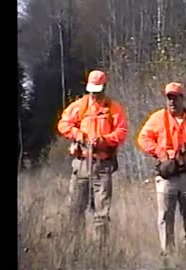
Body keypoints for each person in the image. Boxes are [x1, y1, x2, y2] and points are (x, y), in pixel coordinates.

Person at [136, 82, 186, 258]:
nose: (171, 102)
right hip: (167, 177)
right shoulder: (157, 118)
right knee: (165, 216)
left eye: (175, 98)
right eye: (168, 98)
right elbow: (143, 138)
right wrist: (160, 152)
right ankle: (168, 255)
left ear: (182, 98)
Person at [57, 70, 128, 254]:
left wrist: (104, 140)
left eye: (98, 90)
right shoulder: (79, 106)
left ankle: (100, 253)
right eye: (92, 90)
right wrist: (78, 135)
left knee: (101, 214)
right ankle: (74, 251)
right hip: (80, 165)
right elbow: (63, 124)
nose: (94, 94)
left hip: (102, 166)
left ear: (104, 87)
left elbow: (122, 132)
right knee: (75, 209)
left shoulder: (114, 109)